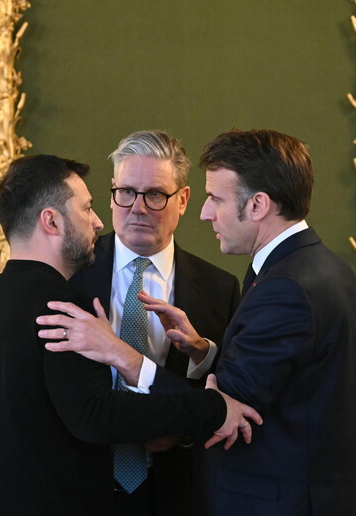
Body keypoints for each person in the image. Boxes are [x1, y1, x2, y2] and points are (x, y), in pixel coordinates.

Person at [43, 130, 356, 515]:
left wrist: (122, 355)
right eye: (125, 192)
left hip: (223, 497)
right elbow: (257, 381)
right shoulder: (317, 269)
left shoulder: (273, 286)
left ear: (258, 204)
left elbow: (224, 411)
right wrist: (206, 355)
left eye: (216, 199)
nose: (207, 213)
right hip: (85, 490)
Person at [0, 154, 261, 515]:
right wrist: (212, 408)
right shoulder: (63, 308)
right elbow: (96, 414)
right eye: (86, 209)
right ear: (51, 221)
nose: (98, 221)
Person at [68, 130, 240, 516]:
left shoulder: (219, 288)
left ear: (183, 200)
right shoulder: (70, 278)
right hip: (83, 485)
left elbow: (229, 392)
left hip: (179, 491)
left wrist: (202, 355)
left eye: (156, 195)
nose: (138, 207)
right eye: (126, 192)